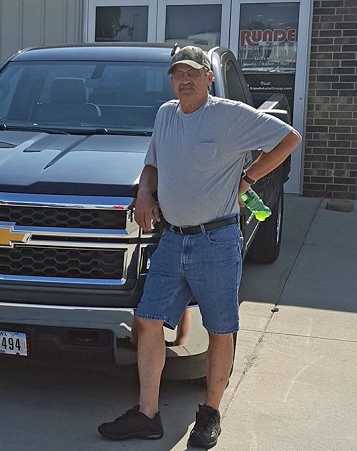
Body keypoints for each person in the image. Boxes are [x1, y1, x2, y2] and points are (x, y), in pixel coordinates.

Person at [98, 46, 301, 448]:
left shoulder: (228, 115)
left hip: (217, 240)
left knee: (220, 329)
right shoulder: (165, 114)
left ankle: (209, 415)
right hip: (172, 239)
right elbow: (152, 164)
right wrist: (143, 192)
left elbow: (289, 138)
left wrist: (247, 179)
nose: (184, 80)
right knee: (148, 320)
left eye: (193, 73)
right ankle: (147, 414)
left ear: (209, 77)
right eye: (177, 74)